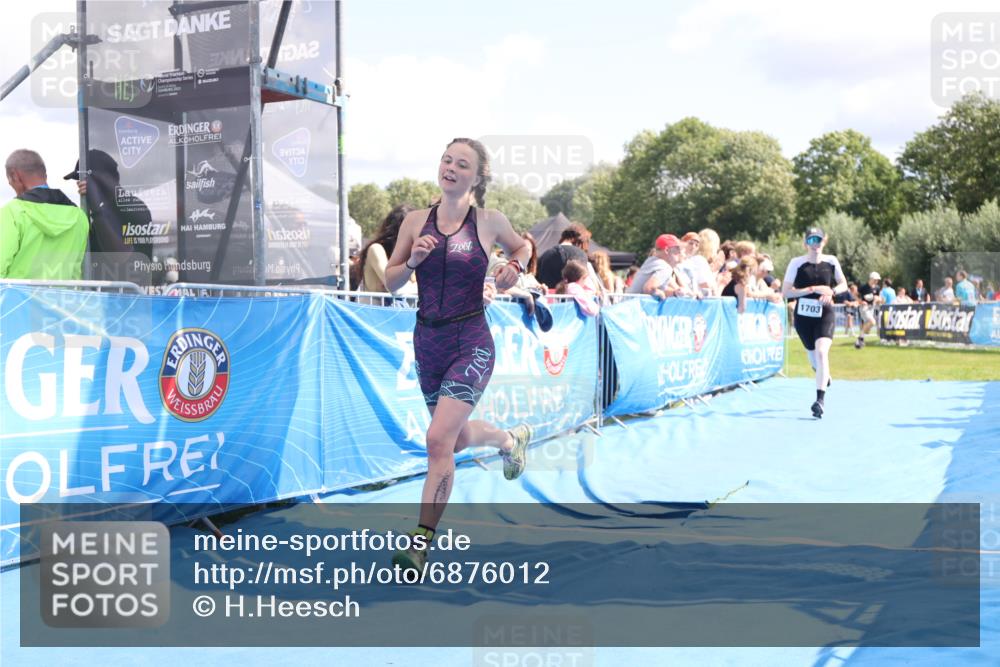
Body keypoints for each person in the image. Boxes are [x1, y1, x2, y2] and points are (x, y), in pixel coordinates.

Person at [383, 138, 533, 573]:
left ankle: (420, 543)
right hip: (427, 342)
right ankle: (509, 440)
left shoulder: (489, 221)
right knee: (454, 438)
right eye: (446, 159)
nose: (450, 167)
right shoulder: (415, 221)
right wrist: (410, 262)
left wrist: (514, 269)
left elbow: (522, 248)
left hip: (471, 339)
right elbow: (390, 283)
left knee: (436, 441)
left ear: (477, 177)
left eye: (461, 163)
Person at [781, 227, 847, 419]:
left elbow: (842, 283)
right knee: (814, 359)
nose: (815, 244)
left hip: (825, 314)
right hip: (803, 317)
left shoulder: (831, 261)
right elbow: (786, 292)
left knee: (821, 352)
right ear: (806, 243)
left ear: (824, 241)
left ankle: (820, 401)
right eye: (811, 240)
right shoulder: (797, 263)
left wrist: (831, 292)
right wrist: (811, 289)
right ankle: (823, 375)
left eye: (818, 240)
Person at [66, 149, 154, 285]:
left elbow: (120, 256)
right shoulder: (101, 207)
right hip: (104, 297)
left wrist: (97, 210)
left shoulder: (133, 206)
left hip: (128, 297)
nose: (79, 185)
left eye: (84, 180)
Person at [2, 149, 88, 279]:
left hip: (16, 299)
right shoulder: (79, 217)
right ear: (45, 175)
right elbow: (76, 273)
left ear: (15, 176)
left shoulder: (12, 212)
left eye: (10, 181)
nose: (11, 185)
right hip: (62, 299)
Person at [358, 203, 417, 295]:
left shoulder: (410, 254)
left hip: (398, 308)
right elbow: (395, 288)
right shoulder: (376, 249)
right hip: (374, 308)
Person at [627, 233, 693, 299]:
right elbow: (649, 288)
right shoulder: (664, 267)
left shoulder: (652, 261)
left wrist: (675, 292)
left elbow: (660, 288)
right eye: (678, 248)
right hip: (635, 306)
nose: (680, 252)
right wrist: (661, 294)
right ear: (667, 250)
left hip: (629, 304)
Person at [536, 222, 590, 290]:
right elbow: (582, 283)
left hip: (547, 299)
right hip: (571, 299)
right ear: (581, 241)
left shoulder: (544, 255)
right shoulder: (580, 254)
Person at [679, 231, 714, 296]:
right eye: (690, 243)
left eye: (696, 245)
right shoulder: (675, 261)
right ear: (683, 243)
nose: (693, 247)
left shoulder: (693, 261)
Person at [855, 271, 883, 349]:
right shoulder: (863, 287)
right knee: (872, 322)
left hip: (872, 308)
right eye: (875, 279)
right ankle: (860, 339)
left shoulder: (877, 288)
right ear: (871, 279)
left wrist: (878, 299)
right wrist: (860, 301)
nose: (877, 281)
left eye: (877, 280)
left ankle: (860, 340)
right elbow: (855, 295)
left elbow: (879, 298)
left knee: (867, 329)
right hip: (864, 308)